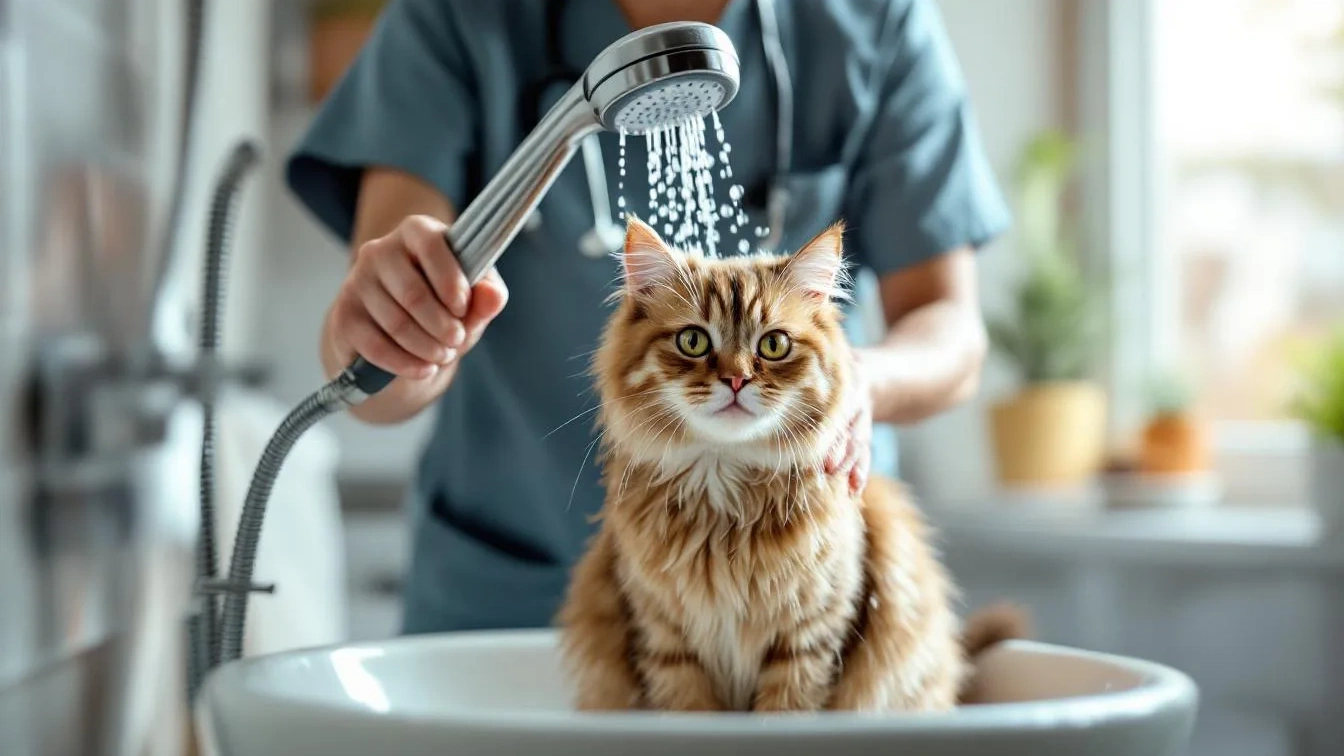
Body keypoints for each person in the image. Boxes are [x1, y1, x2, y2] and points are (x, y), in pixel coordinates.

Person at [286, 0, 1010, 633]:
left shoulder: (870, 20)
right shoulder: (457, 17)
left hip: (789, 598)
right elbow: (383, 366)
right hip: (511, 587)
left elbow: (950, 328)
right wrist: (392, 324)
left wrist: (859, 378)